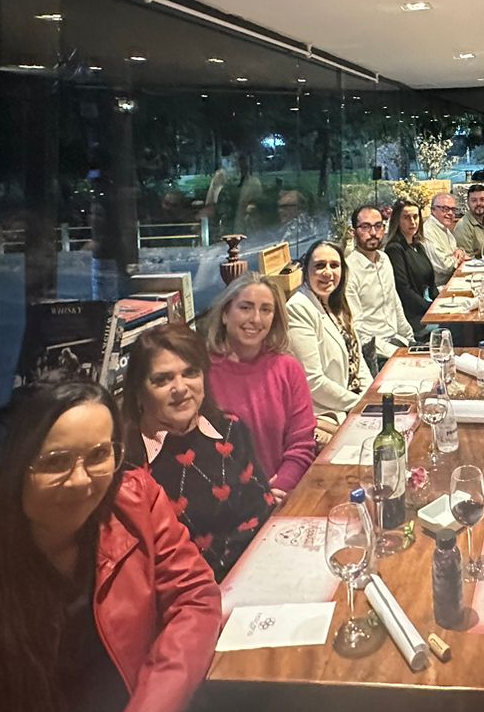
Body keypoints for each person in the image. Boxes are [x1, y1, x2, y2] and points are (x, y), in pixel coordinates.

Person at [0, 380, 221, 712]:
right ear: (15, 468)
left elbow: (194, 596)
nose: (81, 481)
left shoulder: (136, 503)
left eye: (98, 455)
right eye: (56, 462)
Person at [122, 324, 276, 579]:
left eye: (190, 373)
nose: (180, 388)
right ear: (138, 391)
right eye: (162, 379)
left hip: (250, 575)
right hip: (180, 596)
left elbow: (261, 511)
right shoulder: (127, 461)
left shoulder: (230, 429)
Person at [204, 277, 317, 496]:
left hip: (281, 496)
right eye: (245, 308)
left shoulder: (288, 369)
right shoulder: (201, 372)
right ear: (225, 314)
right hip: (222, 503)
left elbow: (301, 445)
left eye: (266, 310)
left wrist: (278, 488)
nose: (256, 319)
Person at [284, 239, 366, 439]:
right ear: (306, 271)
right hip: (326, 413)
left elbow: (358, 360)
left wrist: (372, 394)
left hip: (352, 402)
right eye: (320, 265)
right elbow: (313, 382)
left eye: (334, 265)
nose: (328, 272)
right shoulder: (298, 308)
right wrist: (363, 404)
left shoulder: (337, 301)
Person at [343, 203, 413, 370]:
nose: (373, 233)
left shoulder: (384, 259)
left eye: (378, 226)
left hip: (396, 341)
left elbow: (394, 303)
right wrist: (397, 351)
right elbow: (357, 330)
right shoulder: (348, 270)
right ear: (353, 232)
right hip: (375, 354)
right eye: (365, 227)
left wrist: (410, 339)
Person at [385, 197, 439, 337]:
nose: (412, 222)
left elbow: (431, 282)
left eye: (415, 217)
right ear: (397, 221)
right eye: (406, 217)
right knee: (457, 326)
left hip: (428, 308)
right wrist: (431, 309)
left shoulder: (418, 246)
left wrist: (440, 303)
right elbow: (404, 290)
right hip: (415, 317)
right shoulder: (394, 249)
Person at [421, 190, 466, 284]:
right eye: (445, 209)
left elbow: (456, 251)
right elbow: (445, 266)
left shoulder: (443, 228)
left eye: (453, 209)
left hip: (452, 281)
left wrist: (459, 251)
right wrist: (459, 258)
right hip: (439, 288)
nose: (450, 213)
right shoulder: (428, 231)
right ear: (433, 210)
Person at [453, 183, 484, 257]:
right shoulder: (463, 226)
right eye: (474, 200)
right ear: (468, 203)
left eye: (482, 200)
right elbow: (466, 258)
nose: (478, 203)